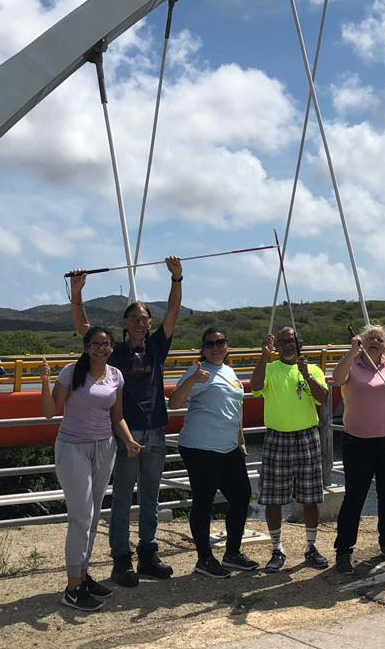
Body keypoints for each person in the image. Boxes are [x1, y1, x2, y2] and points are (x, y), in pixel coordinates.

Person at [69, 256, 183, 587]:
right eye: (134, 318)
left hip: (155, 432)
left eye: (144, 319)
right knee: (121, 498)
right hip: (123, 435)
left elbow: (173, 313)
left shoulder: (157, 347)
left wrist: (177, 279)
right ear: (124, 322)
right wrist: (77, 293)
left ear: (150, 324)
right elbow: (83, 328)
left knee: (150, 497)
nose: (139, 323)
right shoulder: (112, 351)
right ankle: (122, 559)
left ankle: (148, 554)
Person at [40, 326, 143, 612]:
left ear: (112, 347)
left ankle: (83, 577)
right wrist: (45, 382)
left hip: (105, 447)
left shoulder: (116, 375)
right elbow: (50, 411)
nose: (101, 348)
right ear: (86, 346)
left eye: (106, 344)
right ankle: (72, 588)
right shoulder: (71, 372)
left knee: (94, 515)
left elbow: (117, 416)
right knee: (81, 517)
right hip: (73, 447)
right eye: (96, 344)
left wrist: (129, 440)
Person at [170, 327, 256, 578]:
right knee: (203, 502)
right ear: (203, 348)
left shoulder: (229, 371)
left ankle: (232, 553)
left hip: (229, 447)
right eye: (210, 344)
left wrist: (240, 440)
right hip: (200, 448)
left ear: (227, 345)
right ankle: (204, 559)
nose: (216, 347)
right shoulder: (198, 372)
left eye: (221, 342)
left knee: (241, 495)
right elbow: (175, 403)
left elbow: (235, 407)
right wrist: (193, 380)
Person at [250, 326, 330, 572]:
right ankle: (277, 548)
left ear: (299, 344)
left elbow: (323, 398)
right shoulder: (271, 369)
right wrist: (264, 356)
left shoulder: (312, 369)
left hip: (307, 437)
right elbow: (254, 386)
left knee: (310, 496)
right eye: (282, 341)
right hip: (277, 438)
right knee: (274, 498)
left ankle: (311, 547)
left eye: (291, 341)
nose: (287, 345)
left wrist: (307, 376)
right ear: (276, 345)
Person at [331, 325, 385, 574]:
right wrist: (352, 352)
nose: (375, 341)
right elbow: (336, 379)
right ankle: (344, 550)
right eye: (370, 337)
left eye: (380, 338)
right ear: (361, 340)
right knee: (355, 497)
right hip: (358, 440)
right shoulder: (353, 364)